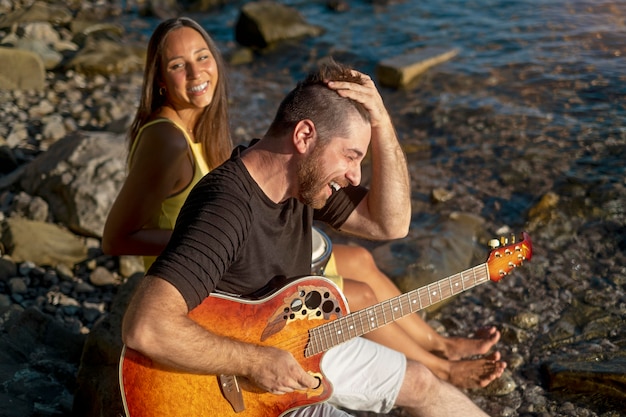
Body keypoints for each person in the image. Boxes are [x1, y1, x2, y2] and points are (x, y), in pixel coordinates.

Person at [102, 16, 505, 391]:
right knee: (359, 294)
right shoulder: (167, 141)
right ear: (158, 78)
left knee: (362, 260)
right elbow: (116, 238)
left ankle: (440, 344)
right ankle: (440, 367)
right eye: (177, 64)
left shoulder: (206, 129)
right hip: (212, 270)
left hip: (245, 248)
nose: (195, 72)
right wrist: (208, 241)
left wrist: (381, 121)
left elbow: (391, 226)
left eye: (203, 56)